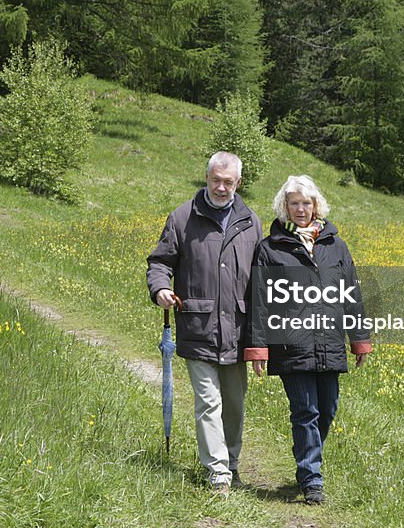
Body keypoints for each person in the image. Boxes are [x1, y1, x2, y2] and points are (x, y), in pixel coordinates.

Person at [244, 174, 372, 505]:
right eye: (294, 203)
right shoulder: (270, 249)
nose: (301, 209)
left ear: (316, 205)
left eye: (306, 202)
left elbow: (351, 295)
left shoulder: (335, 245)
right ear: (284, 207)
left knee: (327, 409)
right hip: (291, 344)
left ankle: (305, 454)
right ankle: (311, 479)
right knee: (306, 412)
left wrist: (359, 339)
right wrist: (257, 348)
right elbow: (259, 301)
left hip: (330, 341)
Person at [147, 151, 263, 493]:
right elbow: (160, 262)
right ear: (207, 178)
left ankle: (232, 463)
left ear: (238, 183)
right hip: (197, 326)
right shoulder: (183, 217)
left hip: (238, 331)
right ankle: (218, 474)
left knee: (235, 404)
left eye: (228, 182)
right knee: (208, 402)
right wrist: (160, 290)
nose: (222, 188)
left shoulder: (251, 221)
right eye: (216, 180)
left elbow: (261, 276)